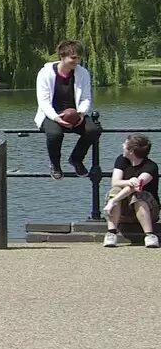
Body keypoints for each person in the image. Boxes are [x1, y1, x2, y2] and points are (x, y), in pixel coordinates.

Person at [35, 41, 97, 180]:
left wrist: (81, 113)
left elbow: (86, 98)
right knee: (55, 135)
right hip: (51, 114)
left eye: (79, 57)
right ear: (62, 57)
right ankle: (55, 165)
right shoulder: (45, 73)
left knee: (93, 130)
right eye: (73, 58)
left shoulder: (83, 73)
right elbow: (43, 102)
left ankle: (76, 159)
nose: (77, 61)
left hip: (75, 114)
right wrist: (57, 118)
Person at [103, 134, 160, 248]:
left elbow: (137, 186)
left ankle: (149, 235)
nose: (122, 145)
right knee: (115, 190)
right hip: (124, 210)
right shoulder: (121, 160)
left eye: (125, 144)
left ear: (131, 151)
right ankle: (111, 233)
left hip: (148, 211)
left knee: (138, 195)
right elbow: (115, 181)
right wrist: (129, 181)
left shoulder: (150, 166)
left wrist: (113, 201)